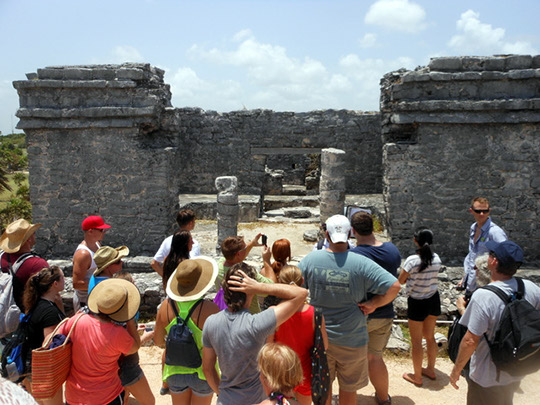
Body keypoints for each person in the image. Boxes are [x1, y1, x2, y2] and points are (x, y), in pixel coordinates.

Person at [298, 214, 400, 405]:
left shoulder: (311, 260)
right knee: (349, 388)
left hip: (321, 337)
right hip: (353, 337)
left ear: (326, 235)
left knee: (324, 385)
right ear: (350, 234)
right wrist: (374, 304)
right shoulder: (361, 262)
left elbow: (294, 288)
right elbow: (394, 286)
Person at [202, 262, 308, 405]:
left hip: (226, 399)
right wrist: (259, 287)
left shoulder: (210, 323)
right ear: (250, 289)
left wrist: (221, 392)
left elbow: (208, 369)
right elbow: (301, 293)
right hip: (256, 398)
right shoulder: (257, 324)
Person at [450, 240, 540, 404]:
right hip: (516, 367)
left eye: (491, 254)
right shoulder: (530, 287)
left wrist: (456, 370)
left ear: (494, 261)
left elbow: (471, 340)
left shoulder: (483, 296)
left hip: (487, 376)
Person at [86, 245, 155, 405]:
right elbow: (127, 343)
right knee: (149, 401)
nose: (122, 263)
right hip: (122, 356)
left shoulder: (94, 280)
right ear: (108, 266)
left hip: (104, 349)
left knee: (121, 394)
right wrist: (138, 333)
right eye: (118, 261)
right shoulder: (112, 289)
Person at [58, 278, 142, 405]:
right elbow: (135, 346)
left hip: (75, 395)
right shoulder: (118, 334)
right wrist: (129, 319)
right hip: (106, 396)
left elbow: (54, 338)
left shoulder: (78, 320)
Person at [350, 211, 401, 405]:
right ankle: (383, 398)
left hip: (359, 313)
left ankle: (349, 398)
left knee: (351, 360)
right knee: (375, 358)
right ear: (373, 226)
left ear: (353, 231)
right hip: (383, 313)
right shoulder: (392, 251)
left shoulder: (353, 255)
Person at [154, 257, 220, 405]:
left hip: (174, 371)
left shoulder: (165, 307)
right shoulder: (210, 309)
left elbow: (158, 342)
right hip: (203, 371)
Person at [269, 266, 328, 405]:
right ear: (302, 281)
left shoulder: (273, 312)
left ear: (280, 284)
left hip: (281, 370)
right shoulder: (315, 313)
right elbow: (324, 345)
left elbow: (268, 346)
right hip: (305, 371)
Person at [398, 227, 442, 387]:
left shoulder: (412, 260)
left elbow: (401, 280)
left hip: (417, 301)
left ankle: (417, 377)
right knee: (430, 336)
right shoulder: (436, 258)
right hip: (433, 299)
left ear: (415, 240)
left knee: (416, 341)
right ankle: (430, 369)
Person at [23, 266, 66, 405]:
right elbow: (49, 345)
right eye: (63, 277)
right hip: (43, 370)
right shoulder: (49, 312)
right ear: (55, 284)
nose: (65, 280)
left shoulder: (38, 304)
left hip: (30, 366)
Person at [215, 234, 275, 314]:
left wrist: (252, 244)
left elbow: (235, 258)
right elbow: (271, 287)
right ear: (238, 254)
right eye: (245, 248)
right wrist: (266, 260)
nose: (247, 247)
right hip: (248, 318)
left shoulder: (218, 265)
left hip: (226, 312)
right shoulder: (247, 274)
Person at [1, 219, 50, 312]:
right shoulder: (36, 264)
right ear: (29, 239)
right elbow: (50, 294)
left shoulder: (1, 256)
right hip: (25, 316)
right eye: (33, 233)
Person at [461, 197, 507, 293]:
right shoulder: (473, 227)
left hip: (486, 284)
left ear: (489, 211)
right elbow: (472, 254)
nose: (482, 214)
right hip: (472, 281)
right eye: (478, 211)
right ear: (471, 211)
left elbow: (505, 256)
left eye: (485, 211)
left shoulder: (495, 232)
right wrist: (465, 278)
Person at [72, 215, 110, 311]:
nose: (104, 232)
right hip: (85, 301)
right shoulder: (83, 254)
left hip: (96, 296)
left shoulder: (97, 244)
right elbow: (77, 284)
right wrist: (102, 283)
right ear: (90, 231)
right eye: (101, 230)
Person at [152, 210, 200, 276]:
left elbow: (154, 263)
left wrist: (167, 279)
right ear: (191, 222)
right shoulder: (194, 243)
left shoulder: (167, 241)